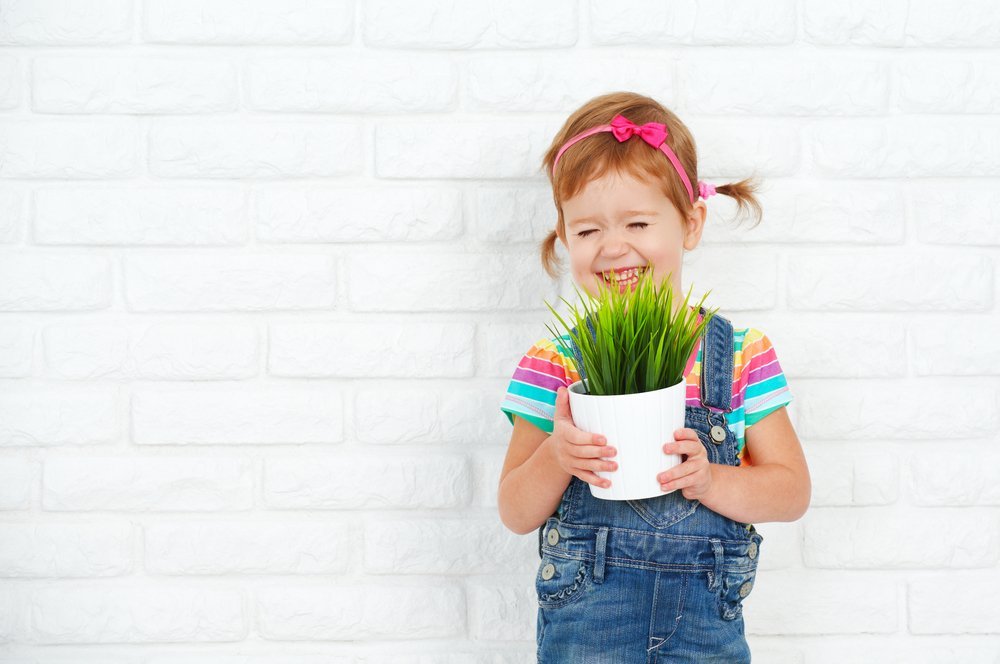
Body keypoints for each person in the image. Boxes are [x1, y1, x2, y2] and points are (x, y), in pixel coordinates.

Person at [496, 91, 811, 662]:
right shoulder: (555, 360)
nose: (614, 247)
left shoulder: (740, 356)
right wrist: (555, 457)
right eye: (588, 230)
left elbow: (791, 492)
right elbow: (515, 511)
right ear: (565, 237)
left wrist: (713, 482)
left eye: (638, 222)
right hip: (587, 639)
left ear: (691, 223)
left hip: (704, 642)